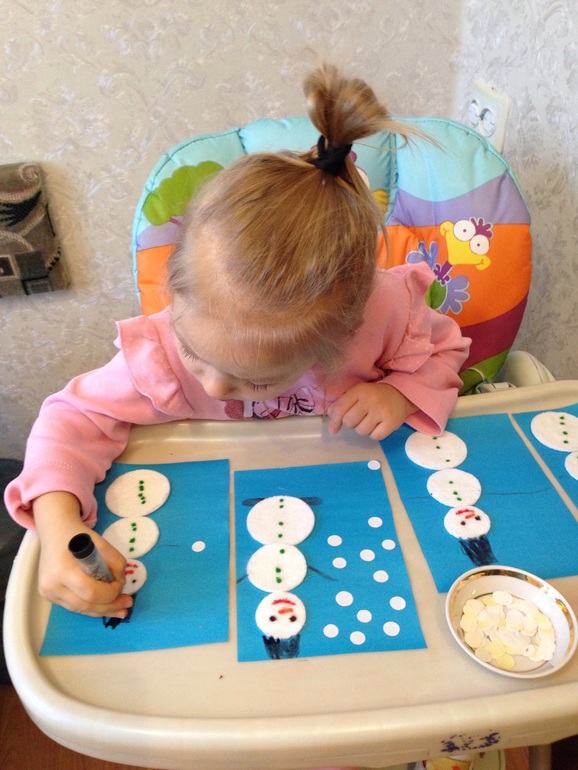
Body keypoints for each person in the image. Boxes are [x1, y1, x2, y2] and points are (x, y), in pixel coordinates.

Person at [4, 63, 470, 621]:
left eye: (254, 381)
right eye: (195, 353)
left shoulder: (387, 312)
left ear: (341, 335)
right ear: (175, 287)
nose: (214, 387)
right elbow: (71, 417)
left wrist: (399, 392)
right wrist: (58, 525)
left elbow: (446, 350)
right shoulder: (160, 356)